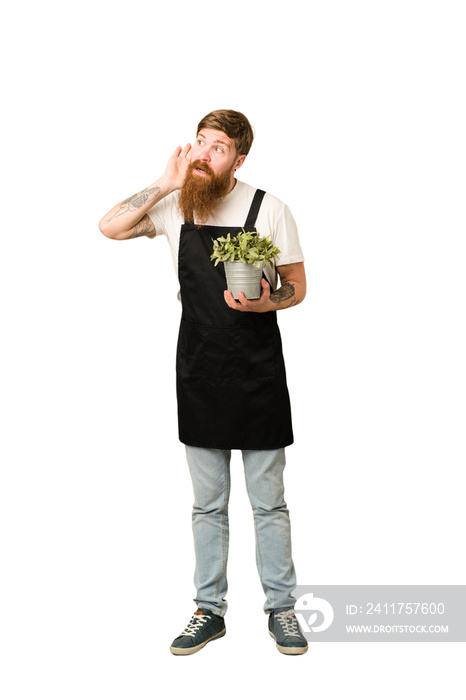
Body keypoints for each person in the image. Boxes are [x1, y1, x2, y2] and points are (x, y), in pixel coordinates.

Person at [99, 109, 308, 656]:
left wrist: (267, 300)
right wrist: (165, 181)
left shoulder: (270, 208)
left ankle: (282, 609)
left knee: (269, 503)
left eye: (217, 147)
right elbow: (109, 226)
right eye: (199, 142)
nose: (202, 153)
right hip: (199, 369)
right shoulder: (174, 205)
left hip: (259, 372)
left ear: (238, 160)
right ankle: (208, 610)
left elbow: (297, 286)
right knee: (207, 505)